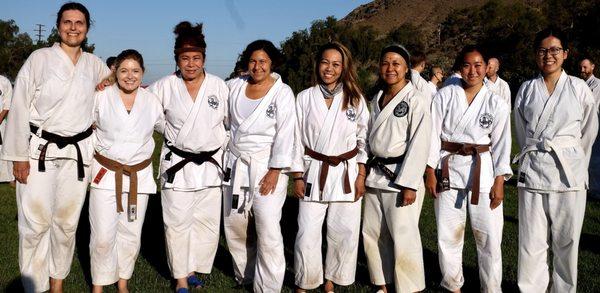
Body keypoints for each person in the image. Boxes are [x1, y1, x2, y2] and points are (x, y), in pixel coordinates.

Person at [0, 3, 111, 292]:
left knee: (66, 224)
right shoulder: (39, 58)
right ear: (58, 26)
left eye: (79, 23)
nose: (73, 27)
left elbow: (113, 87)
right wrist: (17, 156)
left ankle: (57, 282)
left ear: (87, 28)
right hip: (40, 151)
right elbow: (19, 105)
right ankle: (34, 286)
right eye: (67, 22)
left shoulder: (94, 64)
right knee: (35, 224)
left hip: (77, 155)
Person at [514, 27, 598, 293]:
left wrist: (573, 159)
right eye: (542, 50)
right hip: (534, 169)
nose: (548, 55)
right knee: (531, 241)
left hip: (568, 172)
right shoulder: (527, 89)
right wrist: (536, 152)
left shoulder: (579, 88)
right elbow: (520, 129)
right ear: (535, 55)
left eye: (554, 50)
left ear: (565, 54)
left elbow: (588, 131)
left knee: (567, 241)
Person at [147, 22, 229, 293]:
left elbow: (229, 122)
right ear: (177, 60)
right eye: (185, 59)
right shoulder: (164, 86)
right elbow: (147, 113)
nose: (191, 64)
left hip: (210, 167)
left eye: (196, 58)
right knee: (177, 223)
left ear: (204, 58)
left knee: (204, 224)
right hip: (178, 165)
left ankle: (192, 268)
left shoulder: (219, 86)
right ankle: (180, 277)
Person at [425, 45, 512, 293]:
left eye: (478, 65)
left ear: (486, 67)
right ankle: (452, 285)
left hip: (482, 172)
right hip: (448, 169)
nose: (472, 71)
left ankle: (491, 288)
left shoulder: (496, 102)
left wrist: (499, 181)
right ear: (459, 68)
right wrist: (430, 170)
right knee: (448, 234)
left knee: (489, 238)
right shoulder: (444, 95)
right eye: (466, 65)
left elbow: (503, 143)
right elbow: (432, 135)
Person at [291, 42, 368, 293]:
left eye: (336, 64)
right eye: (325, 62)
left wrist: (361, 173)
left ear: (344, 67)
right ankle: (305, 280)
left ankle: (332, 279)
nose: (330, 68)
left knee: (343, 231)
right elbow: (295, 139)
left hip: (346, 171)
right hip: (314, 169)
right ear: (317, 64)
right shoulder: (304, 97)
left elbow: (363, 139)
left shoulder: (354, 98)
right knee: (307, 232)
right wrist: (298, 176)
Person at [89, 49, 164, 293]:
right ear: (115, 72)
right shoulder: (100, 97)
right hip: (105, 172)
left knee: (131, 232)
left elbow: (170, 130)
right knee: (102, 234)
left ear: (143, 73)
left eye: (135, 71)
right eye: (123, 70)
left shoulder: (151, 101)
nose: (129, 76)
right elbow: (85, 127)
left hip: (138, 177)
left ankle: (123, 282)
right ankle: (99, 283)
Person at [223, 39, 296, 293]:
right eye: (253, 61)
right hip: (236, 163)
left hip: (267, 167)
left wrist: (275, 170)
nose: (257, 66)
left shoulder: (282, 92)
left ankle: (269, 286)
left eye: (263, 61)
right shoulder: (234, 86)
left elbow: (286, 133)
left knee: (267, 228)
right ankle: (244, 274)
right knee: (235, 223)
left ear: (272, 63)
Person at [362, 44, 431, 293]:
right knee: (373, 233)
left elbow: (420, 143)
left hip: (400, 177)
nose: (390, 68)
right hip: (375, 174)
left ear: (406, 68)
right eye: (385, 63)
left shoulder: (415, 99)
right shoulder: (376, 98)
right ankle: (382, 283)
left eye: (396, 63)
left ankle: (410, 288)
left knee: (404, 236)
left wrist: (409, 183)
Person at [581, 58, 600, 198]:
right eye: (581, 67)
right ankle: (585, 185)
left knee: (594, 159)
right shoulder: (580, 84)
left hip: (595, 125)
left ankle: (595, 190)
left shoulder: (597, 84)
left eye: (585, 67)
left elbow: (594, 106)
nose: (583, 70)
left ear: (592, 67)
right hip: (580, 125)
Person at [0, 75, 14, 183]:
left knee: (3, 148)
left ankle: (8, 178)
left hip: (0, 123)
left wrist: (0, 118)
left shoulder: (4, 81)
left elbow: (7, 103)